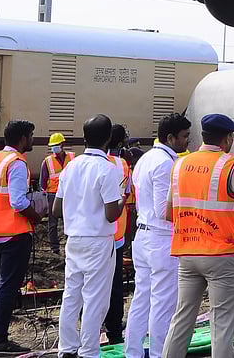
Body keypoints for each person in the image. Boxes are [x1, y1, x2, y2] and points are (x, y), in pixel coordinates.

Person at [162, 113, 234, 358]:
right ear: (227, 138)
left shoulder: (180, 165)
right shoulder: (229, 165)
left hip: (187, 254)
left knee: (181, 319)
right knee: (222, 325)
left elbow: (167, 213)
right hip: (221, 254)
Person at [55, 115, 123, 358]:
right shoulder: (108, 169)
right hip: (99, 240)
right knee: (95, 297)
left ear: (84, 138)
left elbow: (55, 209)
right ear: (108, 139)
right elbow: (111, 214)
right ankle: (89, 350)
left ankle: (67, 348)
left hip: (74, 238)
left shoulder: (70, 167)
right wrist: (122, 200)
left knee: (72, 293)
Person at [125, 113, 190, 358]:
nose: (187, 142)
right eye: (184, 137)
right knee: (163, 303)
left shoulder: (146, 159)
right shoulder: (165, 164)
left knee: (142, 299)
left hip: (143, 236)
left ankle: (132, 352)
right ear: (170, 137)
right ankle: (158, 354)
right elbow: (165, 210)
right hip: (161, 239)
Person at [0, 119, 43, 356]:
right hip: (13, 233)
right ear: (23, 138)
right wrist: (36, 216)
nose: (33, 140)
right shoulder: (16, 163)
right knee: (7, 286)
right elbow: (18, 201)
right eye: (32, 135)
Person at [104, 124, 133, 346]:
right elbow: (128, 196)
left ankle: (90, 326)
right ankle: (114, 331)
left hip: (93, 234)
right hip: (116, 235)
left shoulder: (83, 163)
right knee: (114, 286)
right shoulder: (122, 165)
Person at [40, 132, 75, 255]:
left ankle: (68, 245)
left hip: (69, 194)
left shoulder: (72, 157)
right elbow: (42, 181)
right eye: (52, 146)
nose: (54, 148)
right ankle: (54, 248)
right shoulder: (47, 161)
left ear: (62, 144)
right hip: (53, 194)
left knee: (68, 220)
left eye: (56, 145)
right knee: (53, 222)